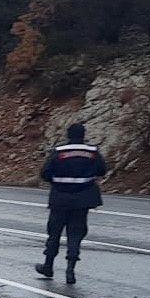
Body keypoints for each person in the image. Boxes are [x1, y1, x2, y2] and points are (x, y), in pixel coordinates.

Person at [35, 122, 106, 284]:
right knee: (76, 234)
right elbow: (102, 170)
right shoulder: (92, 152)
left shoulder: (59, 152)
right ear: (83, 134)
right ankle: (70, 270)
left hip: (60, 198)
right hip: (82, 199)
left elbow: (45, 173)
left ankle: (48, 265)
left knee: (54, 233)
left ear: (68, 135)